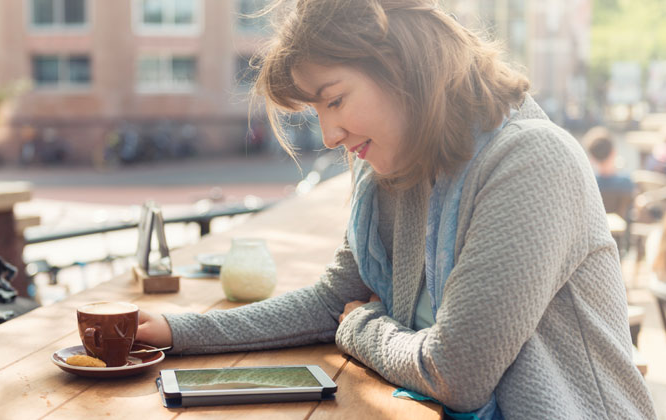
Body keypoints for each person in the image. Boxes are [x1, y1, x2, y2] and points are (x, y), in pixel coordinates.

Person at [136, 1, 657, 418]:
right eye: (317, 112)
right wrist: (177, 330)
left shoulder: (532, 161)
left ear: (404, 68)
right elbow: (328, 304)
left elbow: (455, 372)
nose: (329, 135)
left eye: (335, 101)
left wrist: (361, 328)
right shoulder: (392, 168)